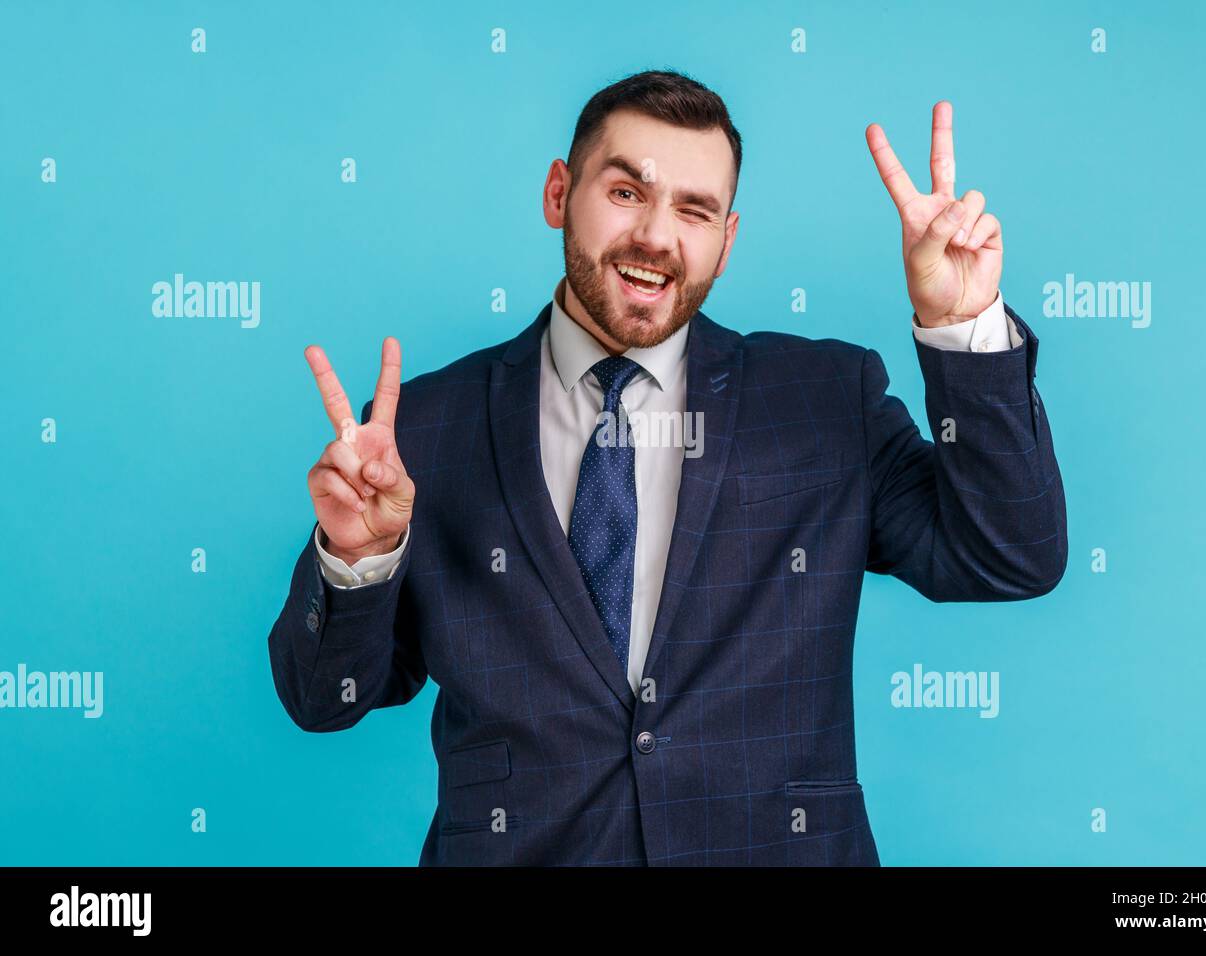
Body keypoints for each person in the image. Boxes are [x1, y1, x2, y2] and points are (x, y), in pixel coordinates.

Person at [268, 69, 1067, 866]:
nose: (656, 236)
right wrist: (358, 559)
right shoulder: (426, 428)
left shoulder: (824, 401)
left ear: (727, 240)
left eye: (695, 210)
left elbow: (1010, 555)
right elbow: (323, 701)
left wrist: (962, 324)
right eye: (625, 193)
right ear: (558, 194)